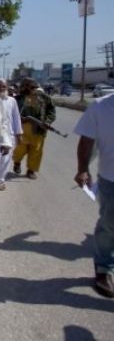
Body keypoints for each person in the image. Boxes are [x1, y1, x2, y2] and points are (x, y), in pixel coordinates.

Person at [74, 93, 114, 298]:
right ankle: (104, 269)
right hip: (111, 178)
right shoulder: (100, 107)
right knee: (109, 225)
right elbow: (86, 141)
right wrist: (82, 169)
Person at [12, 77, 56, 179]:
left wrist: (47, 121)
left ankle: (31, 170)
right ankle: (17, 162)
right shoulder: (16, 99)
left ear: (35, 86)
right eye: (25, 86)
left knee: (36, 151)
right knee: (20, 149)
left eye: (30, 86)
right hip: (21, 128)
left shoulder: (45, 98)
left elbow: (51, 111)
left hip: (38, 129)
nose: (28, 88)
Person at [0, 78, 23, 190]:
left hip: (9, 136)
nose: (1, 88)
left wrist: (18, 134)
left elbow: (16, 118)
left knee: (6, 160)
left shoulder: (12, 101)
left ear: (7, 88)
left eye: (3, 86)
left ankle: (0, 180)